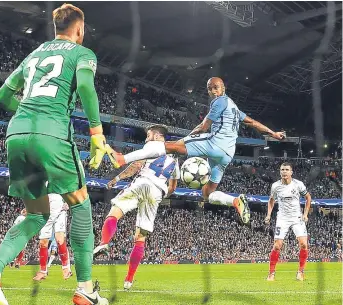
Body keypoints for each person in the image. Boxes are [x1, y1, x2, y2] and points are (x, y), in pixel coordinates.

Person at [0, 4, 115, 305]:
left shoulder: (34, 54)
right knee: (80, 204)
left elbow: (0, 99)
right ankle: (85, 290)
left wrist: (30, 107)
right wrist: (96, 133)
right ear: (79, 29)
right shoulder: (82, 53)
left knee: (36, 215)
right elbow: (88, 88)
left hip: (17, 134)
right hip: (51, 135)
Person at [108, 77, 286, 225]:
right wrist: (273, 133)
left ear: (223, 88)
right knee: (207, 194)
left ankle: (122, 158)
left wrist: (188, 138)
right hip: (227, 155)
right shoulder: (234, 108)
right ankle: (235, 201)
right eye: (210, 89)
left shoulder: (220, 102)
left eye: (216, 87)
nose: (213, 91)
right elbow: (253, 123)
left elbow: (203, 126)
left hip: (214, 143)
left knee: (170, 146)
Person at [94, 125, 179, 290]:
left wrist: (117, 178)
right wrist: (162, 195)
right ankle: (128, 280)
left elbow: (135, 166)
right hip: (157, 192)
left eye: (148, 135)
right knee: (140, 238)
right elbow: (173, 187)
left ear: (156, 136)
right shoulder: (175, 161)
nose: (146, 138)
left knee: (115, 212)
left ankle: (104, 243)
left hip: (143, 182)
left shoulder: (152, 147)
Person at [265, 162, 311, 281]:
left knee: (304, 244)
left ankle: (300, 272)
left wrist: (305, 214)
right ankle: (271, 274)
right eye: (282, 170)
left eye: (286, 169)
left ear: (291, 172)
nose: (284, 172)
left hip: (297, 217)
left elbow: (308, 197)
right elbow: (271, 200)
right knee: (277, 246)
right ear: (280, 172)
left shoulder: (298, 184)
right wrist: (269, 215)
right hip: (282, 218)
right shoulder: (275, 186)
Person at [32, 194, 72, 281]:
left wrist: (69, 201)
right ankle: (43, 271)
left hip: (60, 210)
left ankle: (66, 268)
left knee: (60, 239)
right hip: (46, 211)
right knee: (43, 242)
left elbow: (71, 185)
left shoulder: (59, 180)